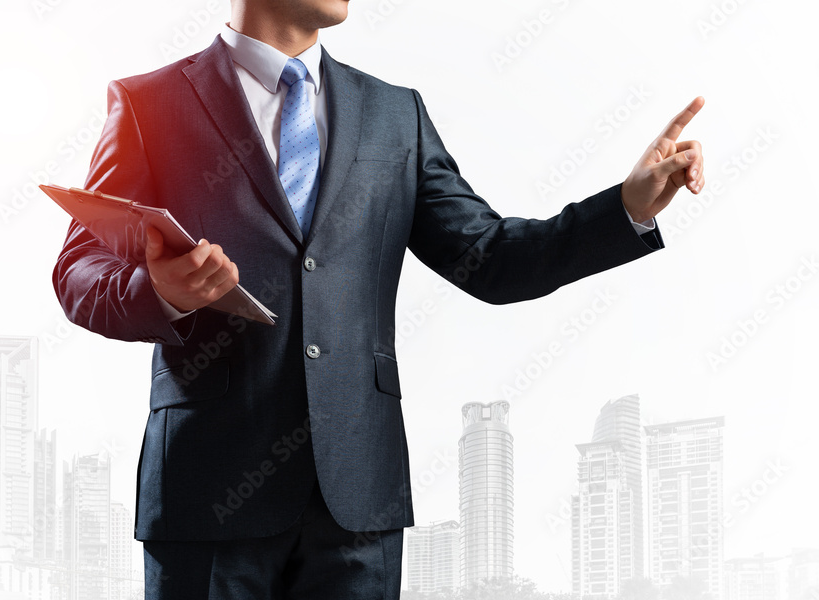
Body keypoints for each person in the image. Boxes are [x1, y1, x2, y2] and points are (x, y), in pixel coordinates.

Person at [52, 1, 705, 597]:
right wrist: (158, 291)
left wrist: (627, 208)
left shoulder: (395, 115)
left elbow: (493, 260)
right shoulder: (151, 104)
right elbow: (79, 269)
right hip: (208, 487)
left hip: (357, 499)